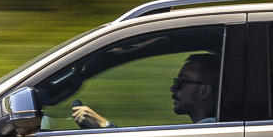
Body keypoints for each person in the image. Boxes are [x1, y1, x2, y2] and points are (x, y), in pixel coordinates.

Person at [70, 52, 220, 129]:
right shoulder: (213, 128)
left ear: (204, 91)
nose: (172, 88)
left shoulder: (211, 133)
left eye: (181, 82)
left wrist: (104, 125)